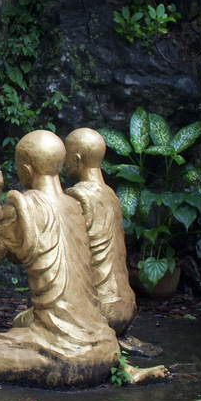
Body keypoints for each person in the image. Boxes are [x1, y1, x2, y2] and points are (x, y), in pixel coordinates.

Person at [0, 131, 168, 387]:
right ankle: (121, 369)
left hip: (65, 354)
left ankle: (71, 364)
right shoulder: (74, 206)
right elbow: (19, 251)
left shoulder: (22, 207)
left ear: (26, 170)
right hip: (106, 344)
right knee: (22, 322)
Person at [64, 128, 136, 336]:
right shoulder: (111, 195)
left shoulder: (77, 195)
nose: (63, 162)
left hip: (98, 310)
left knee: (26, 321)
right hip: (126, 306)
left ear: (77, 159)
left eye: (66, 155)